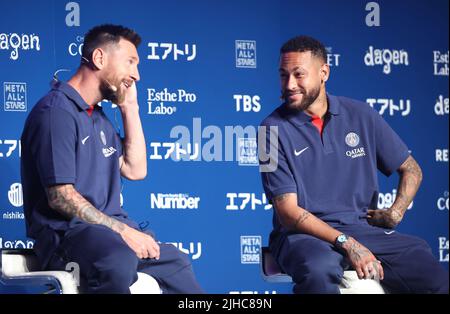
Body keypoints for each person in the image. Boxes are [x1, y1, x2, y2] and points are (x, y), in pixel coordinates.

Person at [20, 24, 203, 294]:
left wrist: (130, 108)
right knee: (117, 260)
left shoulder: (99, 117)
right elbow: (60, 196)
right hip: (67, 238)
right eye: (130, 62)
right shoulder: (55, 112)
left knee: (174, 262)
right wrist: (123, 232)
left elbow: (135, 169)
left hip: (108, 237)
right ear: (99, 58)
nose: (137, 75)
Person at [258, 35, 449, 294]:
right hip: (301, 236)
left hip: (360, 228)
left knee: (427, 268)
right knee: (319, 270)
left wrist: (396, 212)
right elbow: (288, 213)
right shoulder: (269, 131)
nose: (289, 84)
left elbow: (411, 168)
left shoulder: (362, 114)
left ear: (324, 72)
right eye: (283, 75)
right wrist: (347, 243)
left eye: (298, 74)